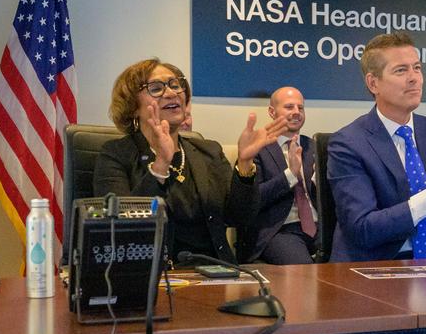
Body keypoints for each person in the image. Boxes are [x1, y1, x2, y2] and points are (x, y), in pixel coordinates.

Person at [94, 58, 286, 263]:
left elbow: (238, 217)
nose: (171, 93)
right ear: (132, 106)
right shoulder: (114, 154)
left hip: (213, 272)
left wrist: (245, 165)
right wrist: (160, 165)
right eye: (156, 88)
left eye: (175, 85)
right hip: (152, 275)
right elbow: (121, 230)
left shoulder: (208, 151)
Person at [327, 32, 426, 262]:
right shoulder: (348, 143)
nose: (414, 78)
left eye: (417, 68)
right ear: (373, 83)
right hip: (379, 265)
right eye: (401, 70)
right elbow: (362, 229)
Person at [237, 86, 319, 264]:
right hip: (279, 230)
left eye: (301, 107)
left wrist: (321, 185)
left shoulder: (314, 147)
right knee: (305, 271)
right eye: (289, 107)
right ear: (272, 112)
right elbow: (251, 199)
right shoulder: (257, 148)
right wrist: (290, 175)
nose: (296, 112)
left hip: (320, 228)